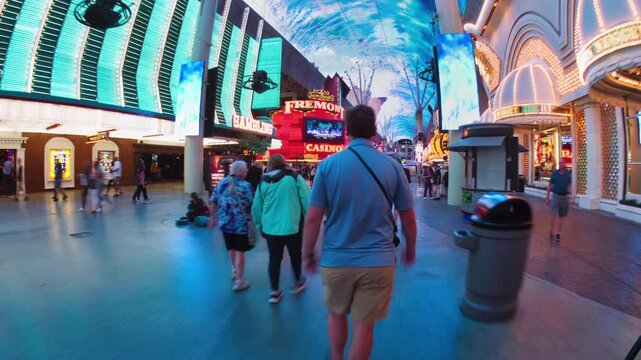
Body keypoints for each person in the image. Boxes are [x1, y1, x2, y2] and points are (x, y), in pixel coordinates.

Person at [302, 105, 417, 360]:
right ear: (374, 131)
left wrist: (308, 252)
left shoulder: (327, 166)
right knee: (364, 327)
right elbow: (407, 215)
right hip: (378, 261)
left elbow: (313, 218)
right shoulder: (392, 167)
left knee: (336, 314)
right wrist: (411, 247)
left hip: (336, 259)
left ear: (347, 131)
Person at [252, 154, 310, 304]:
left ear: (270, 164)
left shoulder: (263, 182)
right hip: (293, 226)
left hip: (270, 229)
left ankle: (274, 291)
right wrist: (310, 221)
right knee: (295, 255)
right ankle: (298, 282)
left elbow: (256, 207)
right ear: (284, 163)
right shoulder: (295, 178)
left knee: (274, 259)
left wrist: (260, 226)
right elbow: (307, 200)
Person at [209, 161, 254, 291]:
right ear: (242, 172)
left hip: (225, 224)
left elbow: (213, 201)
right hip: (241, 225)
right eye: (246, 170)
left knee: (231, 249)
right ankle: (239, 281)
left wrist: (212, 217)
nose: (247, 172)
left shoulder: (221, 183)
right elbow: (252, 203)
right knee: (240, 251)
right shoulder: (246, 186)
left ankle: (234, 270)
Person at [546, 161, 571, 242]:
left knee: (561, 216)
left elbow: (569, 185)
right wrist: (547, 197)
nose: (561, 164)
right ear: (558, 164)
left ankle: (558, 234)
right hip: (556, 196)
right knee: (553, 215)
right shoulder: (555, 173)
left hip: (564, 197)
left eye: (563, 163)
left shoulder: (567, 174)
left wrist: (570, 196)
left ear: (564, 164)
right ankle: (551, 231)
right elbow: (550, 185)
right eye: (560, 163)